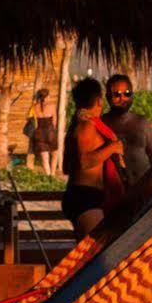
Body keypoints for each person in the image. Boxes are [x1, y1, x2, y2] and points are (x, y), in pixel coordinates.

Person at [60, 78, 123, 234]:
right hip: (85, 197)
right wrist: (113, 147)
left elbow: (66, 168)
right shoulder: (86, 126)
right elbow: (85, 162)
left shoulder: (78, 125)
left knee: (90, 254)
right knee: (98, 253)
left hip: (83, 194)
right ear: (99, 100)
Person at [100, 73, 152, 201]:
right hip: (115, 196)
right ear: (108, 97)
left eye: (127, 93)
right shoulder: (102, 124)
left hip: (144, 192)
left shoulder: (142, 122)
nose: (122, 98)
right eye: (117, 95)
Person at [25, 88, 59, 176]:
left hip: (39, 133)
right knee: (55, 154)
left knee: (45, 157)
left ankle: (48, 177)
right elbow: (54, 122)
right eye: (49, 95)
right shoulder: (52, 106)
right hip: (50, 132)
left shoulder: (34, 107)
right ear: (46, 97)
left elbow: (29, 118)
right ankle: (53, 175)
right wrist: (53, 131)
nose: (50, 97)